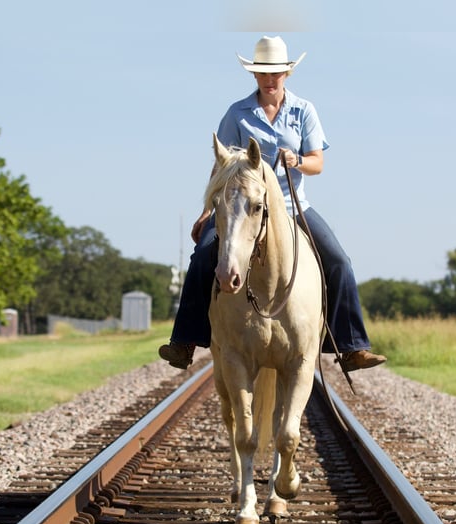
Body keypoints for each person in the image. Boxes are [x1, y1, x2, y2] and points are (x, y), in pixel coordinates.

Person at [159, 35, 386, 372]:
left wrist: (297, 161)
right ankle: (185, 341)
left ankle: (351, 346)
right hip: (242, 209)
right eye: (263, 73)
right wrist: (208, 212)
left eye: (275, 73)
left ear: (286, 74)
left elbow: (317, 162)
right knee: (203, 258)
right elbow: (221, 165)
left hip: (293, 207)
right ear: (254, 75)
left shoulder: (304, 110)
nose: (269, 79)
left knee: (339, 261)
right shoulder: (237, 113)